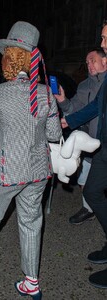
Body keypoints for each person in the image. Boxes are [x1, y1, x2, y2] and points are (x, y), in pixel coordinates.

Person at [0, 21, 62, 299]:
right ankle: (31, 281)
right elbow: (55, 134)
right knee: (31, 223)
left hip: (7, 171)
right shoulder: (46, 93)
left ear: (9, 56)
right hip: (37, 172)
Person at [61, 20, 107, 289]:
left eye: (104, 38)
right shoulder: (96, 85)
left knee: (92, 192)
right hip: (102, 146)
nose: (102, 43)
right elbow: (96, 108)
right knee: (91, 193)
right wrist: (69, 120)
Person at [54, 48, 106, 225]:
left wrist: (71, 120)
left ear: (104, 60)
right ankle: (89, 208)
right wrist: (62, 100)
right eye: (87, 62)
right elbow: (72, 109)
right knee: (84, 180)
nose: (89, 64)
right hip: (89, 144)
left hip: (105, 144)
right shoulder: (84, 86)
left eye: (92, 60)